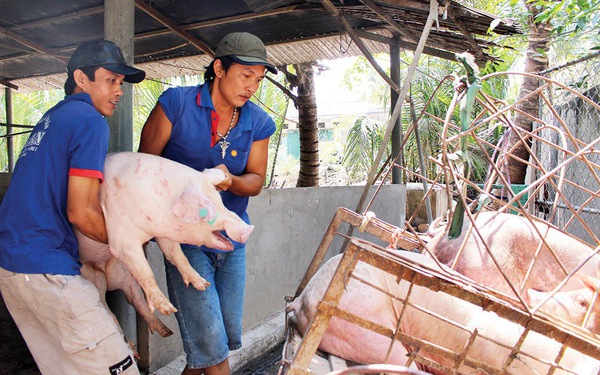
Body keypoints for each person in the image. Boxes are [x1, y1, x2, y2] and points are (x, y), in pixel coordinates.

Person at [0, 40, 145, 375]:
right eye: (111, 80)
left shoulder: (53, 117)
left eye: (120, 83)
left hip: (12, 268)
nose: (118, 91)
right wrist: (126, 243)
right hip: (47, 269)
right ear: (81, 78)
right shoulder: (90, 121)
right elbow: (81, 211)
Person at [138, 32, 277, 375]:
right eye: (245, 75)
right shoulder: (176, 105)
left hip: (230, 240)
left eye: (258, 80)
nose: (252, 87)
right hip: (185, 239)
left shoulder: (258, 122)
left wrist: (231, 181)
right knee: (212, 348)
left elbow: (256, 180)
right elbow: (143, 167)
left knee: (216, 344)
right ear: (219, 68)